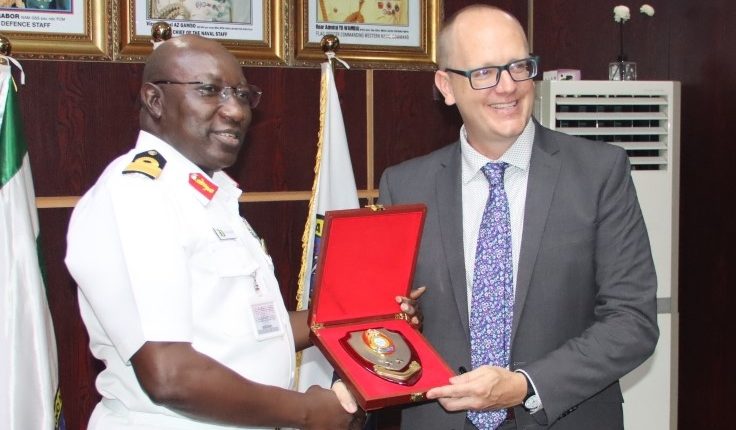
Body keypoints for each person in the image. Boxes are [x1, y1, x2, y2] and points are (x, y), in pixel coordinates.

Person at [65, 34, 419, 430]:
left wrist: (365, 316)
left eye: (242, 95)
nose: (235, 111)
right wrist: (306, 412)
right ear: (155, 100)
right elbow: (170, 374)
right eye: (209, 90)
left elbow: (252, 331)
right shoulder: (138, 195)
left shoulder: (210, 195)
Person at [375, 4, 658, 430]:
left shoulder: (600, 173)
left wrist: (526, 384)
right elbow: (382, 321)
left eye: (519, 67)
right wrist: (400, 321)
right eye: (485, 72)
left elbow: (632, 322)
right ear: (446, 86)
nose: (507, 86)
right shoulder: (404, 186)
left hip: (564, 417)